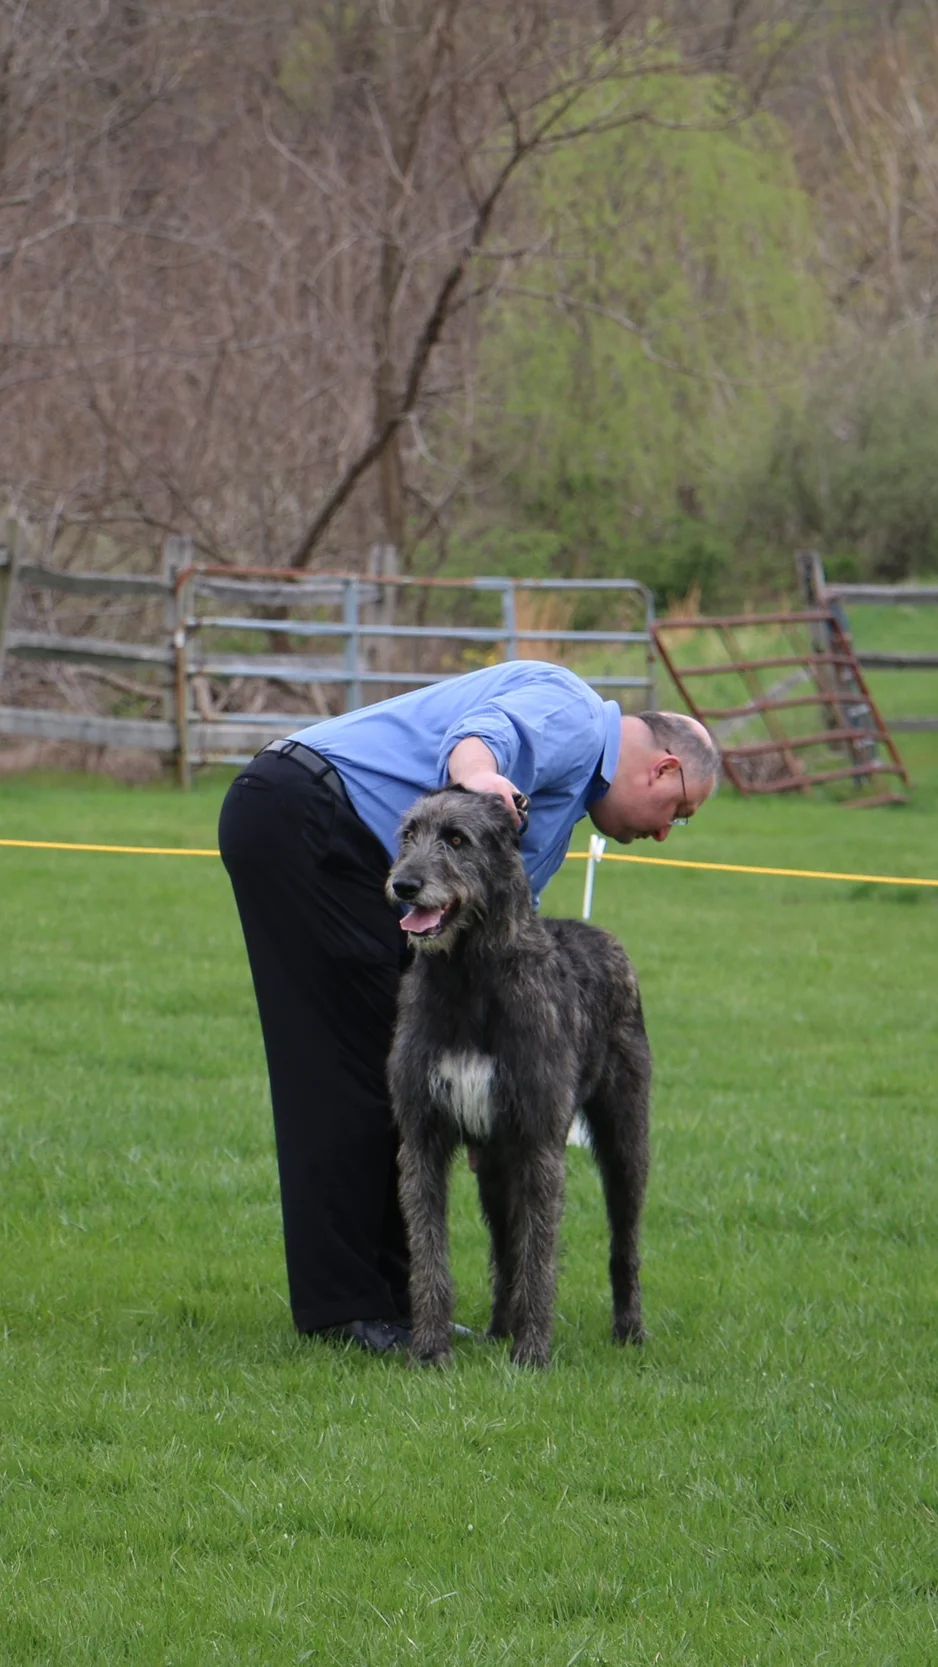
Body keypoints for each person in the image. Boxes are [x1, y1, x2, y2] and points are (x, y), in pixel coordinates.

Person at [218, 659, 719, 1353]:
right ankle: (354, 1310)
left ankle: (392, 1306)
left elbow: (506, 934)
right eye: (679, 813)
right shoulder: (573, 714)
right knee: (352, 1069)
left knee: (385, 1067)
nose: (665, 832)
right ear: (664, 770)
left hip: (321, 825)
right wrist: (478, 776)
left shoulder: (563, 808)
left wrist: (502, 1084)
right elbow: (483, 736)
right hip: (310, 819)